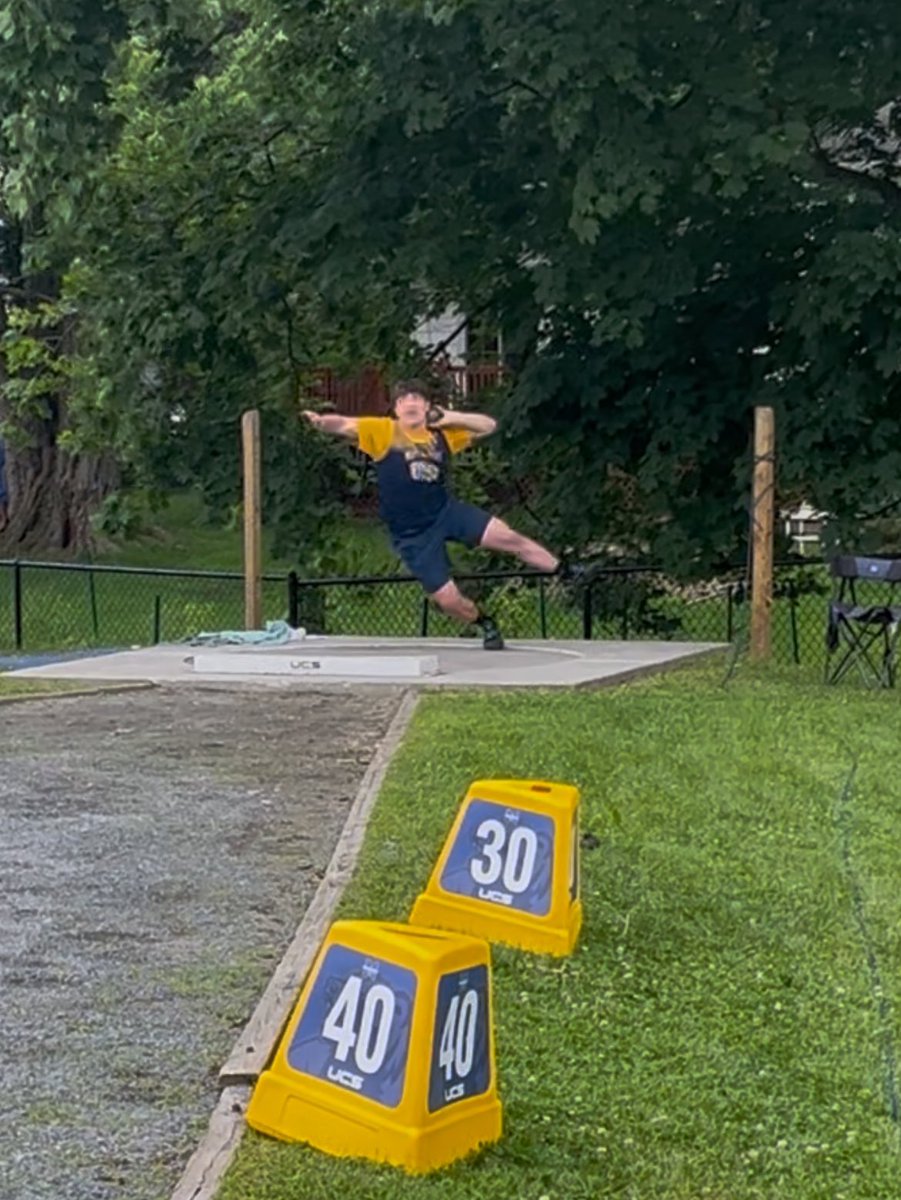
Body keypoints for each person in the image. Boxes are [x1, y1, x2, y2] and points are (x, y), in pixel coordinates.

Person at [303, 379, 584, 650]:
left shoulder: (441, 435)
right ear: (396, 408)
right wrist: (320, 422)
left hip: (445, 512)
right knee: (449, 601)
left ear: (427, 407)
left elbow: (488, 426)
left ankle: (566, 571)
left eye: (417, 399)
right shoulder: (384, 431)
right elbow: (344, 425)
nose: (410, 404)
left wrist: (448, 416)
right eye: (403, 400)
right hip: (413, 534)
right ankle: (485, 623)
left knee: (508, 537)